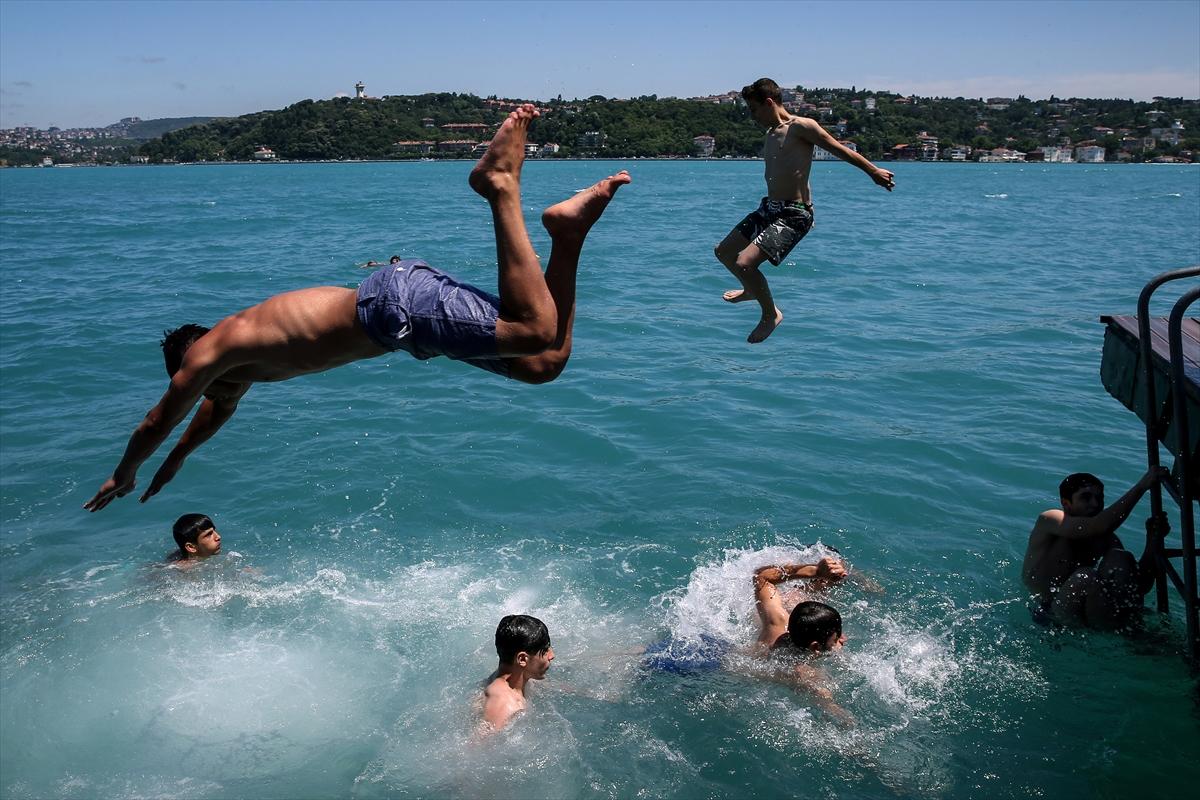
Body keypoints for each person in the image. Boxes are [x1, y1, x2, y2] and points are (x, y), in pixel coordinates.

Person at [84, 105, 631, 511]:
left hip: (394, 304)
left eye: (193, 383)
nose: (206, 396)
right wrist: (173, 464)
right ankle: (568, 232)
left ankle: (499, 185)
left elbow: (159, 419)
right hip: (400, 325)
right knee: (542, 364)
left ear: (189, 365)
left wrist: (123, 473)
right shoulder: (234, 378)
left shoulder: (213, 351)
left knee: (534, 329)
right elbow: (196, 426)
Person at [715, 78, 895, 343]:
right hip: (769, 208)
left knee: (745, 263)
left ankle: (770, 315)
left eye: (754, 110)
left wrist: (873, 171)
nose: (752, 117)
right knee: (724, 252)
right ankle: (751, 289)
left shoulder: (802, 127)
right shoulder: (770, 133)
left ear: (768, 103)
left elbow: (840, 149)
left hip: (794, 213)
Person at [1022, 468, 1170, 629]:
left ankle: (1128, 632)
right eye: (1086, 498)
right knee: (1085, 577)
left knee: (1121, 558)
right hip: (1050, 613)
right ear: (1066, 504)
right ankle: (1126, 635)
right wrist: (1142, 486)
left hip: (1088, 610)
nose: (1095, 504)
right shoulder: (1050, 520)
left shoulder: (1106, 539)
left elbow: (1140, 586)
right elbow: (1098, 526)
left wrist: (1153, 540)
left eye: (1099, 498)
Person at [751, 556, 854, 724]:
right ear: (815, 647)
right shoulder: (805, 675)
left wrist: (815, 571)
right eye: (836, 639)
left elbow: (761, 576)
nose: (843, 639)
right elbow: (833, 710)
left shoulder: (778, 623)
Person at [480, 614, 554, 732]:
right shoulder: (507, 706)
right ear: (522, 659)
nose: (552, 655)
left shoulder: (511, 677)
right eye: (545, 651)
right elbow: (477, 747)